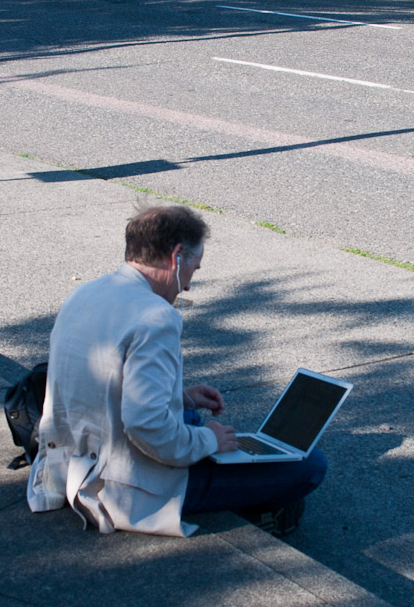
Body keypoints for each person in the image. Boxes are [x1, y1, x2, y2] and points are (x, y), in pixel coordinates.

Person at [27, 205, 326, 537]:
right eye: (194, 271)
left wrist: (179, 397)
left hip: (66, 465)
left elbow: (96, 383)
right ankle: (261, 510)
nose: (186, 288)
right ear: (177, 257)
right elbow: (146, 425)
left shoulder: (86, 292)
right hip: (118, 487)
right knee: (310, 467)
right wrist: (208, 440)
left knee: (197, 421)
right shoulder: (156, 316)